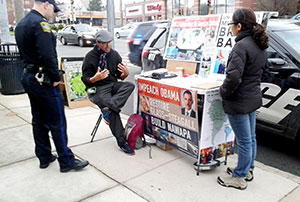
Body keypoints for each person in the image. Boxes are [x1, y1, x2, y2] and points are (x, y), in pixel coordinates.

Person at [15, 0, 89, 172]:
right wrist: (55, 77)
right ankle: (66, 161)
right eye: (53, 10)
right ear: (46, 5)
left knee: (38, 120)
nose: (54, 14)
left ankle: (44, 156)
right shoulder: (41, 25)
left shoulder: (21, 24)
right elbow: (48, 55)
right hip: (44, 80)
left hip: (29, 77)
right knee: (57, 122)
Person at [217, 8, 269, 190]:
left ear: (239, 26)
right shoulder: (258, 44)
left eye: (232, 24)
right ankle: (248, 169)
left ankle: (239, 177)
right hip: (252, 97)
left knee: (245, 141)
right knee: (251, 138)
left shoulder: (241, 46)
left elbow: (233, 78)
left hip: (239, 101)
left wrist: (223, 92)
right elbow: (264, 71)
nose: (231, 28)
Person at [81, 30, 135, 155]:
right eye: (104, 44)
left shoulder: (114, 55)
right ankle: (122, 142)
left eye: (109, 43)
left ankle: (110, 106)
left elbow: (119, 77)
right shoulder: (90, 57)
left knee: (129, 86)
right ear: (97, 43)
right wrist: (96, 78)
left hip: (112, 85)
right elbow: (85, 80)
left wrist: (125, 74)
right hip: (97, 88)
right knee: (112, 112)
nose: (108, 46)